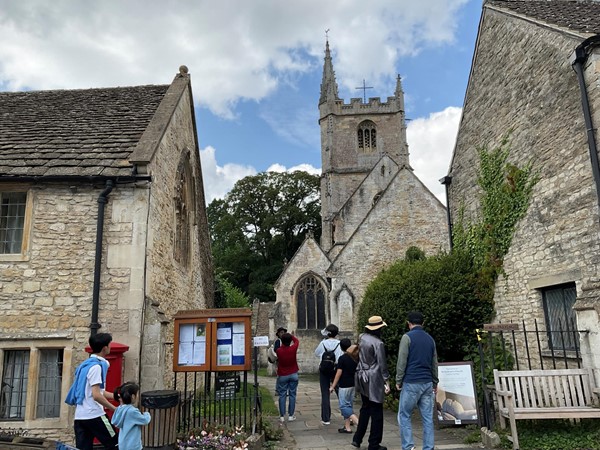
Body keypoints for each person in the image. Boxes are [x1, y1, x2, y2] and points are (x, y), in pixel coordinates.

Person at [65, 332, 118, 450]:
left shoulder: (85, 365)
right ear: (105, 348)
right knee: (116, 445)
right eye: (109, 345)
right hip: (95, 415)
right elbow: (96, 395)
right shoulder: (96, 367)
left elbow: (97, 391)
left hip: (80, 417)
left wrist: (116, 396)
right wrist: (114, 408)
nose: (110, 347)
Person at [395, 311, 438, 450]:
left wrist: (398, 380)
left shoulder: (406, 338)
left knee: (404, 415)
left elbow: (402, 360)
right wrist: (435, 382)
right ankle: (428, 447)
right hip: (427, 383)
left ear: (409, 323)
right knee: (427, 419)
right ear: (423, 323)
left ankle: (408, 446)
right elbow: (434, 362)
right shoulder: (430, 339)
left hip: (412, 381)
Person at [353, 316, 390, 450]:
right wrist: (387, 380)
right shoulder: (378, 343)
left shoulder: (361, 337)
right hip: (373, 378)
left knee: (365, 408)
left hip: (361, 375)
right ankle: (374, 443)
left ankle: (357, 438)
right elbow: (382, 364)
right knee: (376, 412)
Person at [314, 323, 344, 425]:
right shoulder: (339, 344)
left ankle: (326, 418)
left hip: (324, 369)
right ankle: (347, 415)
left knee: (325, 394)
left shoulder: (323, 343)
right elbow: (341, 356)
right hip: (336, 369)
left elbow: (317, 353)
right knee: (340, 392)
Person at [329, 338, 359, 434]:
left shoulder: (342, 358)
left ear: (341, 348)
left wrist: (333, 386)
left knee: (343, 406)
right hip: (353, 385)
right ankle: (347, 427)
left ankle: (359, 423)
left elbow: (338, 374)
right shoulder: (355, 357)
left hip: (344, 385)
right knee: (349, 405)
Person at [111, 382, 151, 450]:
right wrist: (147, 414)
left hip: (123, 445)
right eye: (137, 394)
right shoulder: (132, 411)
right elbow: (145, 420)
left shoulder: (119, 409)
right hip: (133, 446)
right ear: (133, 396)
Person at [275, 332, 300, 423]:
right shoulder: (293, 348)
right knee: (292, 395)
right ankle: (291, 415)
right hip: (293, 374)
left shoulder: (279, 351)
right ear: (290, 341)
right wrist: (290, 335)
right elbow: (296, 341)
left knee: (282, 395)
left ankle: (282, 416)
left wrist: (282, 337)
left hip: (283, 375)